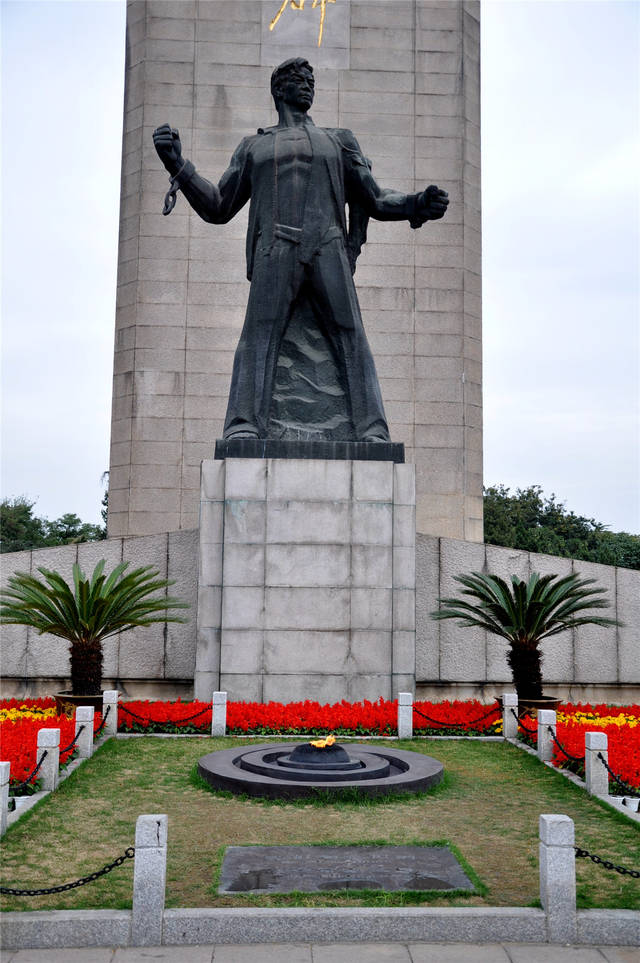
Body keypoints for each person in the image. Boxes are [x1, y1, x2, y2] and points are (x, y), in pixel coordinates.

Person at [153, 58, 448, 442]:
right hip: (275, 246)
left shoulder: (339, 140)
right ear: (278, 90)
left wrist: (414, 204)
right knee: (258, 334)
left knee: (350, 332)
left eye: (310, 79)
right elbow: (218, 206)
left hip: (326, 244)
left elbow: (374, 196)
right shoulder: (254, 146)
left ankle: (372, 430)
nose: (307, 84)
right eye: (297, 79)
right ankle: (244, 426)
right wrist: (178, 165)